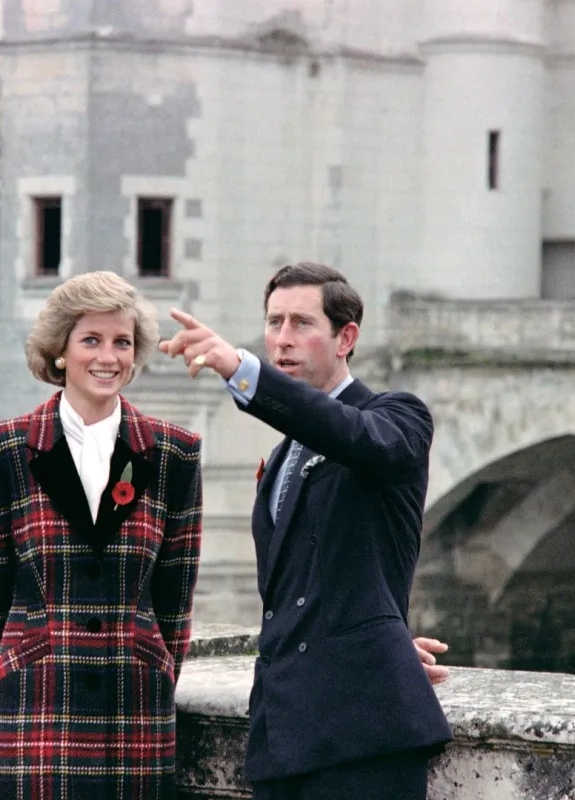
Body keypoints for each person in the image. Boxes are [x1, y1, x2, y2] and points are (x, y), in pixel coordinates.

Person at [159, 262, 453, 800]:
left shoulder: (396, 418)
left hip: (364, 735)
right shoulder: (281, 456)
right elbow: (306, 589)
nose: (282, 340)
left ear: (347, 338)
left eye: (301, 324)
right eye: (274, 324)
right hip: (285, 729)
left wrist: (242, 370)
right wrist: (378, 643)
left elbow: (348, 434)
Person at [0, 270, 203, 799]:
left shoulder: (173, 454)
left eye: (121, 342)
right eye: (91, 340)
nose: (108, 356)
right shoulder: (0, 450)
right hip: (33, 707)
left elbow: (175, 599)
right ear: (61, 351)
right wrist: (0, 689)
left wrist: (153, 668)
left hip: (136, 704)